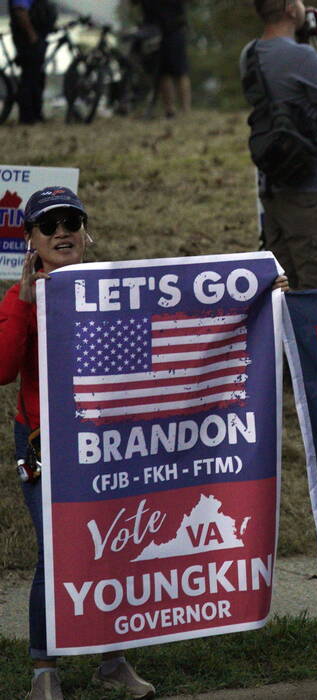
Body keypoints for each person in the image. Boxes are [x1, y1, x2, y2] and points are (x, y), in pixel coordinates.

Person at [1, 187, 156, 700]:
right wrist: (25, 306)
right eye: (48, 225)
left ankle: (112, 661)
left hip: (105, 439)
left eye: (72, 221)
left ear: (86, 232)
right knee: (58, 549)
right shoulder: (16, 299)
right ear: (30, 240)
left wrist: (265, 290)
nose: (62, 231)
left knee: (112, 544)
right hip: (44, 441)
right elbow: (3, 371)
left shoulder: (111, 287)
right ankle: (43, 671)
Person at [243, 0, 317, 289]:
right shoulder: (302, 56)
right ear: (291, 8)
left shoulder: (249, 54)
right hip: (313, 189)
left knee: (282, 286)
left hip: (274, 185)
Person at [136, 0, 191, 118]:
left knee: (179, 71)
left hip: (174, 28)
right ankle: (169, 109)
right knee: (162, 72)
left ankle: (185, 109)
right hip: (152, 30)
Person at [7, 0, 57, 125]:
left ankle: (36, 114)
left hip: (36, 37)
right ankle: (28, 117)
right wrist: (32, 35)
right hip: (28, 39)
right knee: (30, 77)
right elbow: (20, 12)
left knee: (37, 76)